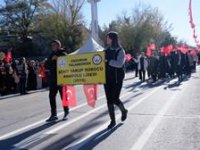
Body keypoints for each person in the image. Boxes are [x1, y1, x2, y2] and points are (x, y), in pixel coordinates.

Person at [104, 31, 128, 129]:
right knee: (109, 100)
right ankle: (112, 121)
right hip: (106, 78)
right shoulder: (105, 50)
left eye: (108, 38)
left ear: (113, 39)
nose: (107, 39)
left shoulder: (120, 50)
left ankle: (123, 110)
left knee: (115, 98)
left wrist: (108, 61)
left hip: (117, 78)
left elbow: (119, 64)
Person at [46, 40, 69, 122]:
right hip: (53, 79)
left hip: (62, 79)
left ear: (58, 46)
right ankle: (53, 114)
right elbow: (47, 64)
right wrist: (51, 60)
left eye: (54, 45)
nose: (52, 47)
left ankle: (66, 112)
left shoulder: (63, 54)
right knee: (51, 97)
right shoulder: (51, 55)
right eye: (52, 45)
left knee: (64, 97)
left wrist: (58, 58)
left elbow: (68, 62)